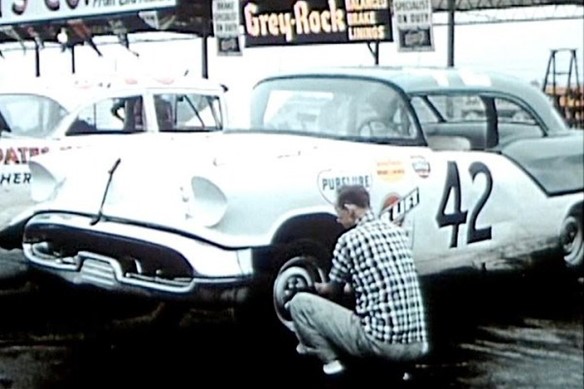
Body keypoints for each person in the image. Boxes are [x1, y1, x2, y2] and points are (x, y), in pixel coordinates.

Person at [287, 184, 428, 376]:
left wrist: (313, 288)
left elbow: (332, 293)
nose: (338, 220)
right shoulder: (396, 232)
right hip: (418, 346)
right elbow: (377, 283)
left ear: (351, 210)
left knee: (299, 304)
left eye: (339, 214)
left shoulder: (348, 240)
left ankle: (331, 364)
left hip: (381, 344)